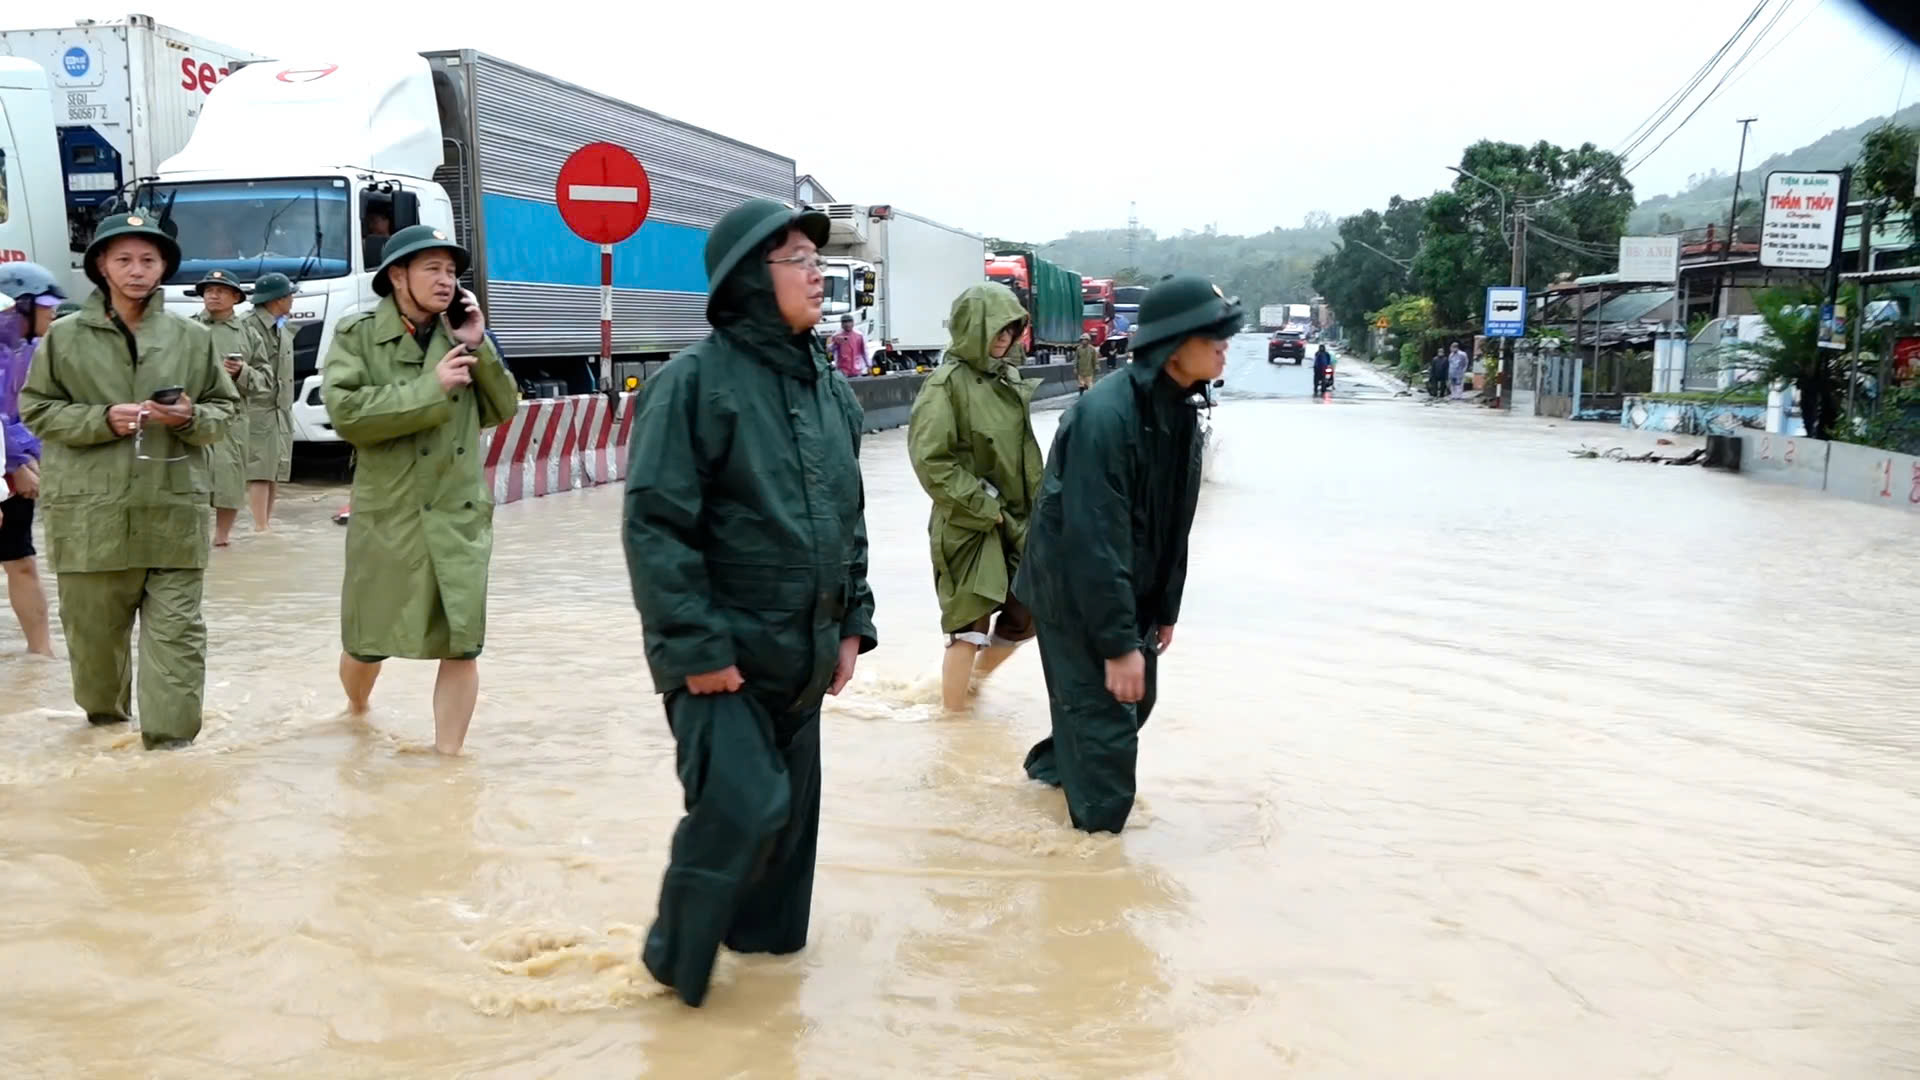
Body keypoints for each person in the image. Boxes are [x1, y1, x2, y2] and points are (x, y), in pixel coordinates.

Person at [623, 197, 876, 1008]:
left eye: (816, 259)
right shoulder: (692, 386)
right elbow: (656, 527)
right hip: (720, 662)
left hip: (802, 658)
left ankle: (759, 1021)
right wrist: (696, 649)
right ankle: (674, 974)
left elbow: (846, 517)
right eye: (798, 260)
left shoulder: (829, 391)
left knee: (783, 869)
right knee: (744, 806)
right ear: (748, 279)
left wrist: (852, 624)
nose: (817, 275)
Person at [1014, 274, 1236, 834]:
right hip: (1073, 591)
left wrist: (1164, 608)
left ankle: (1047, 779)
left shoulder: (1179, 410)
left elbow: (1173, 523)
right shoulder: (1105, 417)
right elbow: (1093, 538)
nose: (1224, 346)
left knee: (1134, 702)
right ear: (1173, 344)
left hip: (1124, 587)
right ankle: (1092, 855)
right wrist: (1116, 644)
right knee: (1107, 733)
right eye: (1213, 335)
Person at [19, 211, 241, 748]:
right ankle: (107, 739)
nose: (137, 270)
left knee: (177, 644)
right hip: (89, 518)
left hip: (173, 513)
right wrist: (102, 419)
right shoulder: (65, 337)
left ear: (164, 267)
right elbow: (36, 409)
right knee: (95, 657)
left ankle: (170, 758)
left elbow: (224, 410)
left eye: (148, 260)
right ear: (101, 265)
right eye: (124, 259)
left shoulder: (191, 338)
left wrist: (188, 416)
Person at [321, 225, 518, 756]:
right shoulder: (358, 335)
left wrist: (478, 345)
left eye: (451, 271)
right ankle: (357, 712)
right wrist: (430, 387)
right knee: (367, 641)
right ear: (397, 276)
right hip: (392, 513)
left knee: (462, 643)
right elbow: (347, 414)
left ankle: (448, 762)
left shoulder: (461, 334)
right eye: (432, 269)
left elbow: (503, 408)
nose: (446, 280)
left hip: (457, 512)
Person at [908, 283, 1042, 713]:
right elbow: (932, 461)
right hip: (969, 520)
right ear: (971, 327)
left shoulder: (1009, 380)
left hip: (1017, 518)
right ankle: (952, 724)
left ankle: (972, 685)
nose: (1004, 338)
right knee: (969, 620)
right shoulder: (944, 386)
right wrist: (986, 509)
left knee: (1028, 612)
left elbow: (1024, 456)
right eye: (995, 328)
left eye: (1011, 329)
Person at [0, 262, 64, 657]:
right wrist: (15, 465)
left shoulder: (31, 349)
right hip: (9, 469)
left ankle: (41, 657)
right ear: (20, 305)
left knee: (21, 560)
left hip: (15, 469)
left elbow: (28, 413)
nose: (53, 314)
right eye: (47, 306)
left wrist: (29, 456)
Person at [189, 269, 260, 546]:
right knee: (190, 478)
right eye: (208, 290)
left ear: (236, 297)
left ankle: (221, 539)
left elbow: (266, 380)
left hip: (232, 417)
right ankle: (194, 538)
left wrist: (242, 372)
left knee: (229, 479)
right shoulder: (188, 328)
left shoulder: (248, 334)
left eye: (220, 291)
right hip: (193, 414)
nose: (213, 295)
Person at [243, 272, 297, 531]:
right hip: (257, 407)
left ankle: (265, 526)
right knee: (259, 470)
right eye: (289, 295)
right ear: (277, 299)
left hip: (280, 408)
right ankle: (260, 527)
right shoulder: (248, 326)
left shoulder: (281, 324)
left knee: (275, 469)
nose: (292, 300)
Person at [829, 313, 866, 378]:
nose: (847, 324)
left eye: (849, 321)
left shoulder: (859, 335)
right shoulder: (836, 336)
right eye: (845, 322)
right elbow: (830, 350)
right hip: (842, 370)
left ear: (853, 323)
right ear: (842, 324)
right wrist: (835, 343)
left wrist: (869, 365)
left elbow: (865, 352)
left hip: (856, 370)